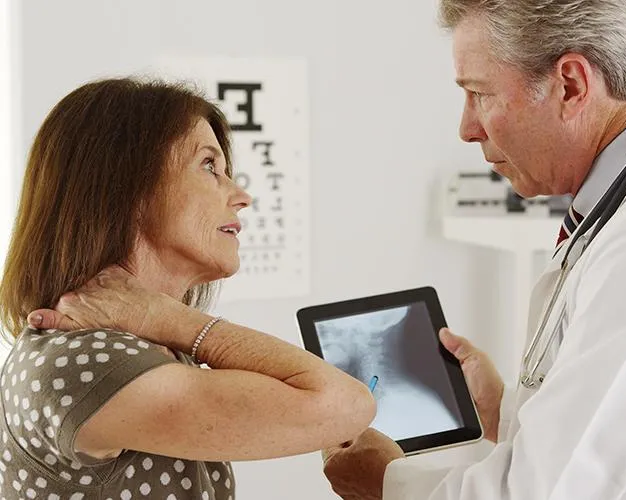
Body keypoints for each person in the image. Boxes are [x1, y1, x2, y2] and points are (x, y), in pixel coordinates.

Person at [320, 1, 626, 499]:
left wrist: (387, 482)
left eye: (479, 94)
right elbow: (619, 438)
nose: (467, 128)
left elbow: (550, 492)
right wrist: (507, 407)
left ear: (570, 85)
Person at [0, 78, 376, 499]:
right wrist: (162, 315)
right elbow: (346, 405)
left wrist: (159, 319)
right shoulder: (81, 361)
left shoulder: (145, 348)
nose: (241, 195)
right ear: (127, 185)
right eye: (209, 166)